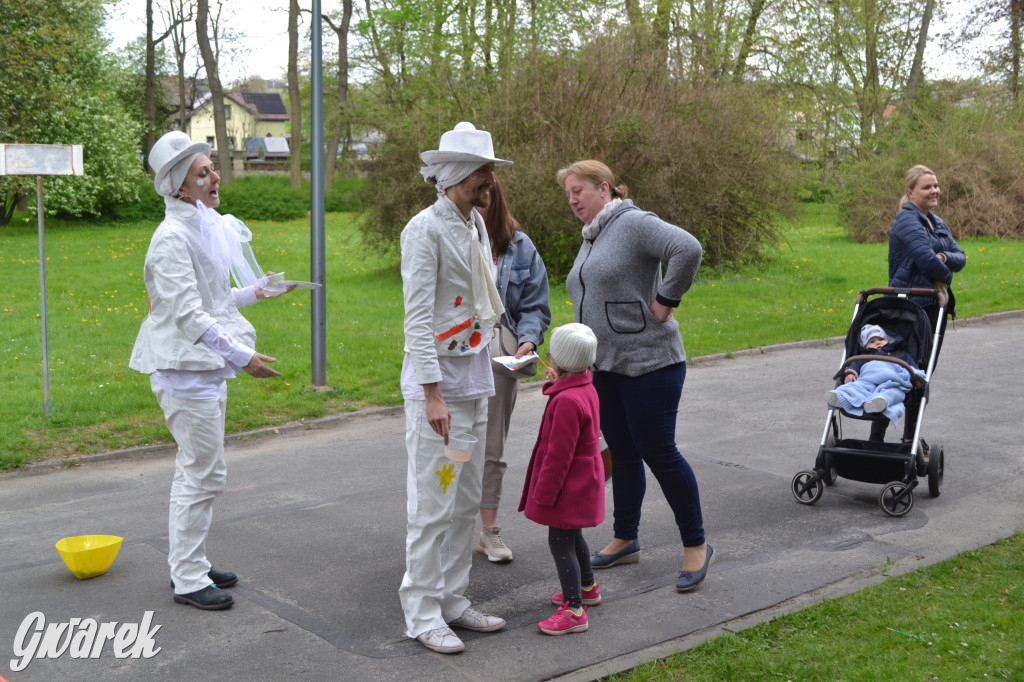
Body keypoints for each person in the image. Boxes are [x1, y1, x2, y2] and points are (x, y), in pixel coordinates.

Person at [129, 131, 292, 611]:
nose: (215, 176)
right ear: (180, 186)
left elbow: (214, 301)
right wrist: (243, 357)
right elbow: (188, 315)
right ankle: (187, 577)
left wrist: (256, 291)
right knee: (202, 472)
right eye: (203, 172)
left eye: (212, 167)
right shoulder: (171, 238)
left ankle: (192, 562)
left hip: (203, 368)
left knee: (200, 469)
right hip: (184, 370)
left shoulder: (202, 226)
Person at [557, 160, 713, 592]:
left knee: (658, 451)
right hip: (606, 367)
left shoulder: (634, 222)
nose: (572, 200)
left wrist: (665, 301)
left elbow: (689, 248)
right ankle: (626, 537)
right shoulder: (592, 236)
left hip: (652, 364)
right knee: (623, 453)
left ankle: (696, 544)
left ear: (603, 188)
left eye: (578, 191)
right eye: (567, 194)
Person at [398, 122, 510, 654]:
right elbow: (417, 318)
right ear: (454, 174)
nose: (490, 179)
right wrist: (431, 393)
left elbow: (479, 299)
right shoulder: (425, 229)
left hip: (474, 380)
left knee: (464, 499)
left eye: (489, 170)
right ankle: (421, 613)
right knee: (434, 501)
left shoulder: (475, 223)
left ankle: (452, 600)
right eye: (482, 171)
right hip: (440, 391)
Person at [475, 175, 551, 563]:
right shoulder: (447, 237)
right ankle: (448, 528)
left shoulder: (520, 247)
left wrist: (527, 340)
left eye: (484, 198)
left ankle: (489, 531)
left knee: (492, 447)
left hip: (498, 357)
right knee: (450, 447)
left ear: (495, 200)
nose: (476, 205)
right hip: (454, 357)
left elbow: (536, 306)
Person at [519, 323, 603, 636]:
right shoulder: (583, 387)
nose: (549, 358)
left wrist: (544, 493)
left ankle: (574, 609)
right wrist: (560, 383)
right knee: (573, 535)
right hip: (581, 483)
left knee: (559, 541)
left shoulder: (566, 401)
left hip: (567, 486)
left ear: (560, 362)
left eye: (552, 354)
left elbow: (558, 456)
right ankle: (587, 587)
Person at [872, 165, 966, 444]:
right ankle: (876, 439)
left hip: (933, 307)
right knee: (899, 373)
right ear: (911, 192)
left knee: (920, 377)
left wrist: (945, 259)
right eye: (927, 187)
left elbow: (961, 255)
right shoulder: (907, 221)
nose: (934, 191)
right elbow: (926, 261)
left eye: (936, 185)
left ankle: (908, 439)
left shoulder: (935, 222)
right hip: (911, 308)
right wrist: (943, 267)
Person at [827, 324, 920, 427]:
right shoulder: (863, 357)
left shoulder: (899, 354)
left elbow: (912, 368)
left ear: (888, 340)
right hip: (867, 382)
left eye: (881, 339)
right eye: (872, 341)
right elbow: (853, 366)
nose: (878, 342)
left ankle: (881, 401)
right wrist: (850, 374)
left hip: (892, 382)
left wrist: (917, 376)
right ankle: (841, 396)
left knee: (895, 393)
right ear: (865, 346)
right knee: (854, 387)